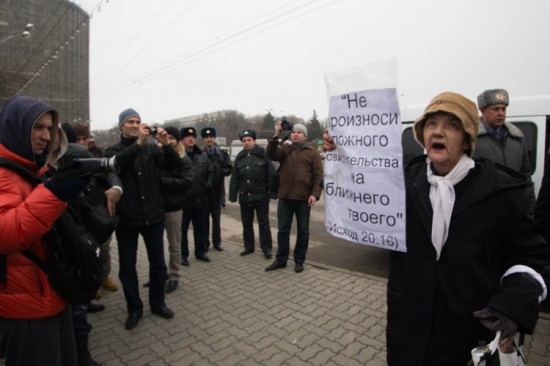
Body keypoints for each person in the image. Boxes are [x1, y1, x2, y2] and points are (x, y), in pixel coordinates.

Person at [323, 91, 549, 365]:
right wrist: (342, 154)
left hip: (470, 338)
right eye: (431, 124)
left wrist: (512, 304)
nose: (438, 131)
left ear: (467, 138)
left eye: (451, 125)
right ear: (422, 134)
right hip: (408, 333)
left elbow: (532, 257)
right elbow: (361, 194)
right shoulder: (403, 183)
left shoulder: (502, 191)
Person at [0, 94, 90, 365]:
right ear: (15, 127)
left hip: (50, 294)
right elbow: (4, 233)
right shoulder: (4, 172)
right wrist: (53, 194)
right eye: (37, 127)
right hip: (25, 308)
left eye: (50, 128)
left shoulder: (31, 169)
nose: (45, 135)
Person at [105, 108, 180, 330]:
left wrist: (166, 144)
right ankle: (134, 308)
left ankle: (157, 303)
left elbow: (173, 165)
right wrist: (137, 144)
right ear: (121, 126)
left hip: (153, 216)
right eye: (130, 121)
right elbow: (118, 165)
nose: (135, 124)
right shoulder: (113, 150)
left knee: (158, 264)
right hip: (127, 218)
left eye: (138, 121)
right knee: (127, 267)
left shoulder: (150, 149)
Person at [265, 123, 323, 273]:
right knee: (283, 230)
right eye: (293, 132)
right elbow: (271, 154)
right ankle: (281, 259)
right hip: (285, 197)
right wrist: (276, 135)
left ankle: (299, 260)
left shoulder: (313, 153)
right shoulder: (285, 149)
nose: (295, 134)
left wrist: (314, 194)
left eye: (299, 132)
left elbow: (318, 176)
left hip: (304, 199)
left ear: (305, 135)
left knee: (303, 232)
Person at [72, 123, 120, 298]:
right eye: (78, 139)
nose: (82, 142)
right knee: (86, 251)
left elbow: (110, 173)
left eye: (85, 138)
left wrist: (116, 186)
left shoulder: (99, 154)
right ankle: (91, 281)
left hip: (98, 211)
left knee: (104, 248)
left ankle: (104, 276)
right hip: (78, 215)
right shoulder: (67, 158)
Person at [229, 129, 275, 259]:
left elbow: (272, 174)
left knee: (264, 224)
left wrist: (272, 192)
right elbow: (235, 177)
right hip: (245, 196)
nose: (246, 143)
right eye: (244, 141)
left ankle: (266, 249)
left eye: (249, 140)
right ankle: (249, 247)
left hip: (261, 196)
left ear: (254, 141)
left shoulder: (263, 155)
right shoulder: (240, 157)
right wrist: (233, 195)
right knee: (246, 224)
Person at [159, 127, 193, 293]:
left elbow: (186, 183)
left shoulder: (183, 160)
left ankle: (174, 276)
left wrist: (162, 182)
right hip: (156, 208)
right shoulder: (156, 156)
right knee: (156, 246)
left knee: (174, 246)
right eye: (166, 137)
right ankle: (159, 274)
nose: (169, 140)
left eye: (172, 138)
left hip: (174, 208)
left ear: (177, 141)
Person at [473, 88, 531, 175]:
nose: (501, 113)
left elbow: (526, 173)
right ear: (482, 110)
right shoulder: (471, 138)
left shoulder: (517, 137)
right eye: (496, 109)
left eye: (503, 109)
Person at [180, 127, 215, 265]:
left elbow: (211, 171)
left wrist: (208, 185)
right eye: (187, 137)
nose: (191, 139)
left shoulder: (202, 154)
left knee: (200, 228)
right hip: (183, 202)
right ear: (182, 139)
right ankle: (183, 255)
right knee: (182, 231)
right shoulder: (178, 155)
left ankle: (200, 252)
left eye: (193, 137)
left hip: (200, 199)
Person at [201, 127, 232, 252]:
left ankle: (217, 242)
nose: (209, 139)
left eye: (211, 137)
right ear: (204, 139)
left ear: (214, 138)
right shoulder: (199, 153)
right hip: (203, 192)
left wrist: (221, 172)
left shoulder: (221, 153)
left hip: (217, 192)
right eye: (207, 137)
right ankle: (205, 243)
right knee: (204, 221)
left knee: (216, 220)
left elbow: (229, 167)